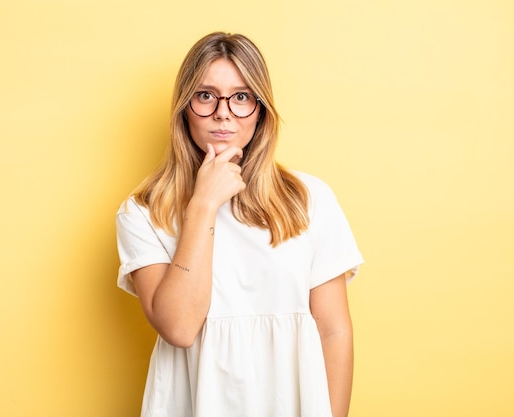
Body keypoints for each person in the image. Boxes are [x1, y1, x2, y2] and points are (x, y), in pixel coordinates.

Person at [116, 31, 364, 417]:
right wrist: (203, 205)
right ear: (184, 107)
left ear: (260, 109)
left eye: (242, 97)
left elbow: (334, 331)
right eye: (205, 95)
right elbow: (179, 328)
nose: (223, 112)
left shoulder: (309, 199)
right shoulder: (143, 211)